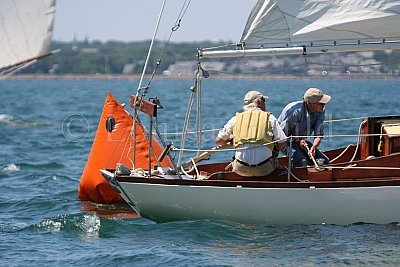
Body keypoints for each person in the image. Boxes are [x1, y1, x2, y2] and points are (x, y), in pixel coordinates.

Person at [215, 90, 287, 177]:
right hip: (264, 169)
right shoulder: (269, 118)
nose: (265, 104)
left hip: (241, 169)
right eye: (264, 101)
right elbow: (282, 142)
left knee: (235, 159)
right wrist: (274, 150)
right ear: (259, 102)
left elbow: (218, 140)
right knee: (275, 159)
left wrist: (233, 140)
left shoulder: (235, 119)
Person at [278, 87, 331, 167]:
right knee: (301, 162)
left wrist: (313, 147)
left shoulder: (321, 110)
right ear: (311, 104)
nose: (324, 105)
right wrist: (298, 141)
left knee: (324, 161)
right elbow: (281, 136)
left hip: (298, 140)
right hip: (284, 141)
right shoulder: (295, 112)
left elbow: (319, 134)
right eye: (321, 103)